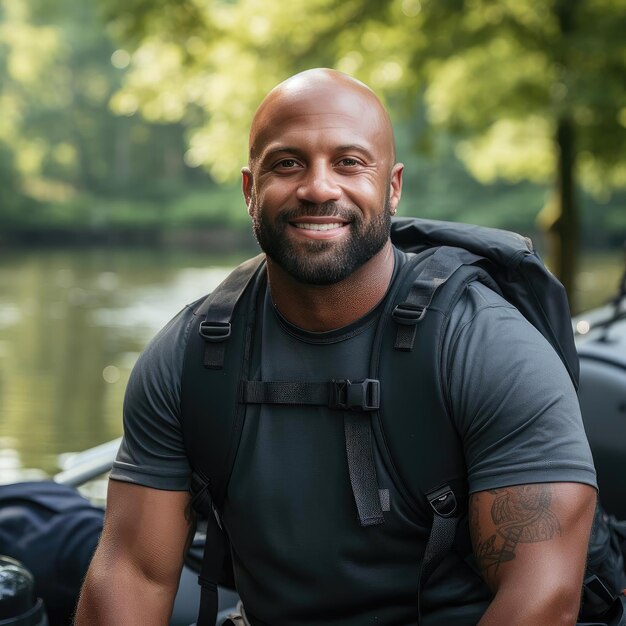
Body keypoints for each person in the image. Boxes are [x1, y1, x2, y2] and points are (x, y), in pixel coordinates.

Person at [75, 68, 598, 626]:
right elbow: (133, 573)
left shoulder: (488, 346)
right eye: (287, 163)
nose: (318, 188)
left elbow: (542, 599)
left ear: (392, 187)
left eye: (349, 162)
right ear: (251, 190)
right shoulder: (187, 357)